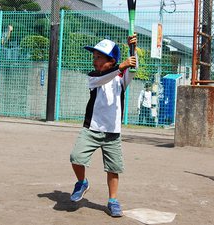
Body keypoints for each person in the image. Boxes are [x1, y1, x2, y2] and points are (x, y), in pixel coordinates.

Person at [69, 34, 138, 217]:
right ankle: (82, 182)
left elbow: (133, 68)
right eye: (94, 57)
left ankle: (113, 200)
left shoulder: (121, 79)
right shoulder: (94, 77)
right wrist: (119, 67)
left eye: (99, 57)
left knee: (113, 169)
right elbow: (103, 77)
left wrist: (133, 49)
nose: (95, 61)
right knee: (76, 157)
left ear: (111, 60)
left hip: (112, 132)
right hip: (91, 128)